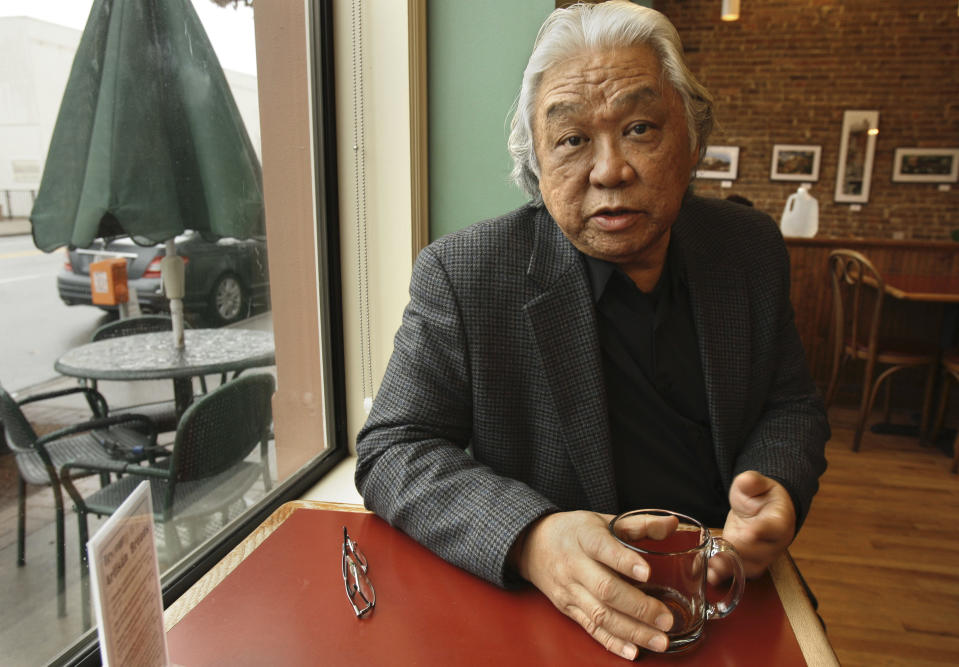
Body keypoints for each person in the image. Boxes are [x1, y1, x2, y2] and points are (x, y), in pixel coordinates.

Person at [355, 1, 828, 660]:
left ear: (691, 138)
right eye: (573, 139)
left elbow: (790, 403)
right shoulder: (466, 274)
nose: (609, 170)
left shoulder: (746, 249)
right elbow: (393, 448)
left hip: (718, 601)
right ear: (537, 164)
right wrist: (530, 535)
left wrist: (773, 482)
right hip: (551, 617)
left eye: (639, 127)